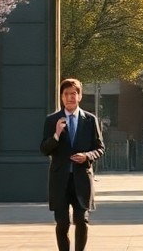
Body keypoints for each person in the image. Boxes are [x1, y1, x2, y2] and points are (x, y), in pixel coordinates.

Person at [41, 78, 105, 251]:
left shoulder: (90, 120)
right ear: (61, 97)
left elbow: (100, 148)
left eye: (74, 94)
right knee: (62, 223)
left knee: (82, 221)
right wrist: (56, 135)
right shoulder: (52, 120)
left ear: (80, 96)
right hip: (60, 180)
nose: (70, 97)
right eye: (67, 94)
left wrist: (87, 155)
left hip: (81, 179)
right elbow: (44, 149)